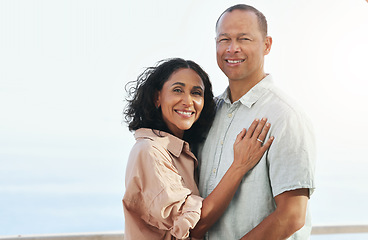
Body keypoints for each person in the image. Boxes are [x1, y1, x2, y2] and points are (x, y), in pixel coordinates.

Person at [198, 4, 316, 240]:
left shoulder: (284, 115)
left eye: (244, 38)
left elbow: (292, 216)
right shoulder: (207, 113)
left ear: (267, 45)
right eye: (224, 39)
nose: (233, 48)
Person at [122, 58, 274, 240]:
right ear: (157, 97)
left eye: (196, 93)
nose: (188, 101)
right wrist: (239, 166)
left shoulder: (185, 149)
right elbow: (193, 228)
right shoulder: (150, 151)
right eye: (177, 90)